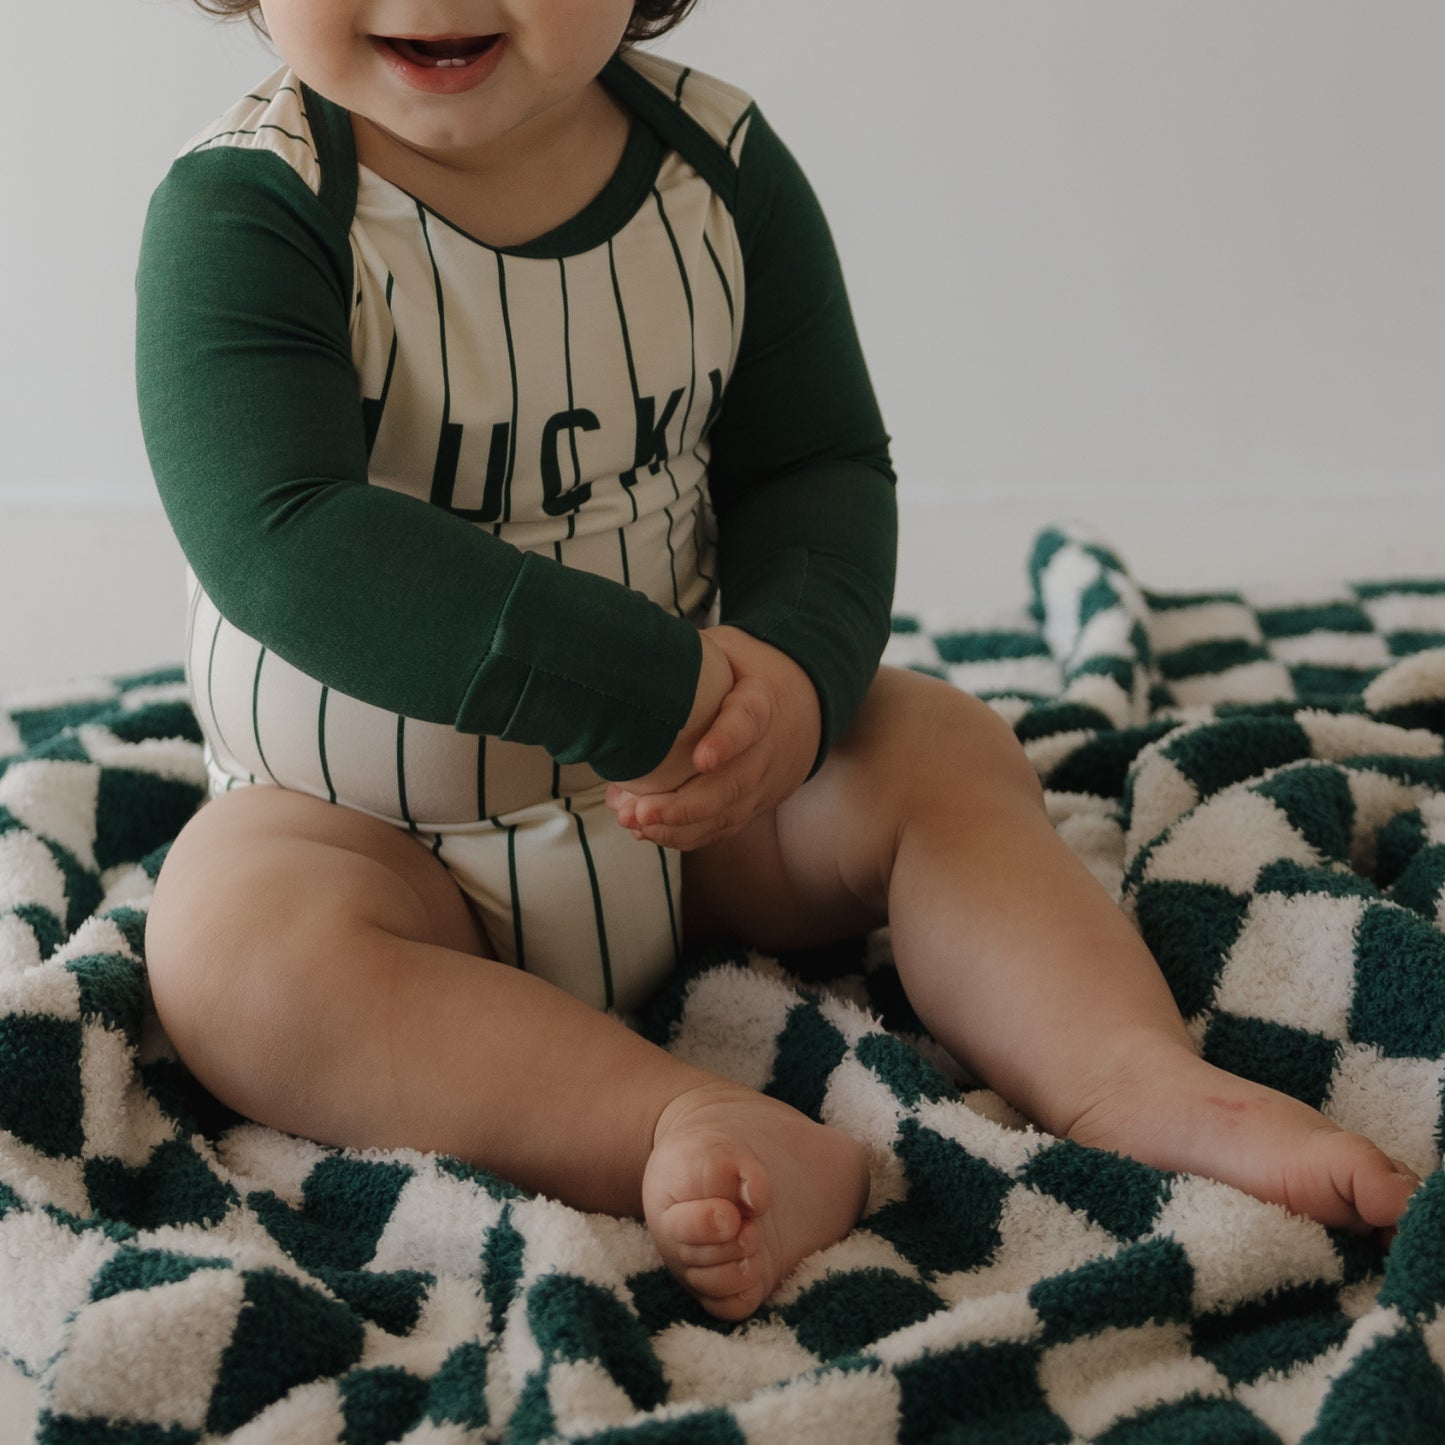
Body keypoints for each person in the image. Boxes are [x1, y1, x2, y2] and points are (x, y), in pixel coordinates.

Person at [138, 0, 1418, 1323]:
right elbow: (285, 536)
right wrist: (642, 687)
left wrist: (795, 679)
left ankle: (1125, 1074)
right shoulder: (251, 209)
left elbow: (815, 466)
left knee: (938, 746)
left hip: (708, 798)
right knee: (233, 956)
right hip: (374, 839)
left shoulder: (720, 169)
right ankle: (673, 1118)